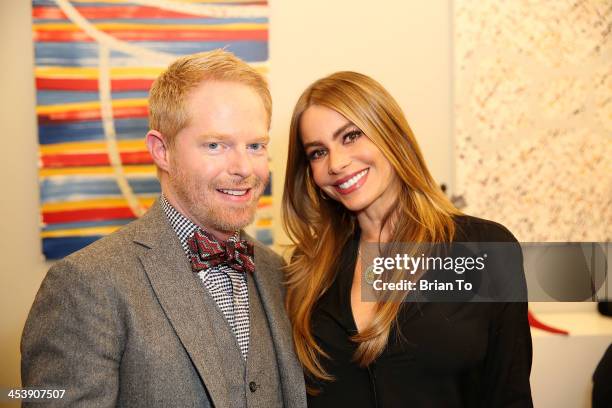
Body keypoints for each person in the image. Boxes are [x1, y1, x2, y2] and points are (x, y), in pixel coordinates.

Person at [21, 49, 306, 407]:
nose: (244, 168)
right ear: (162, 150)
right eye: (215, 145)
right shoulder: (84, 284)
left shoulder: (279, 273)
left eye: (255, 145)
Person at [282, 71, 533, 407]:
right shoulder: (307, 267)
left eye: (351, 136)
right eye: (317, 152)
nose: (337, 163)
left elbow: (508, 395)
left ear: (391, 135)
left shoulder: (484, 248)